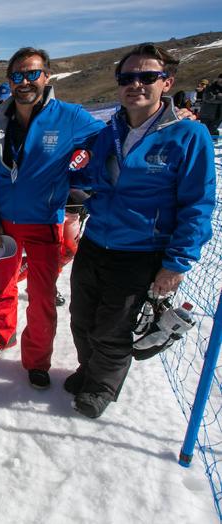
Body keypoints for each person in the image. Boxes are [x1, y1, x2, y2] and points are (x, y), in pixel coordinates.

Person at [68, 43, 215, 418]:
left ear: (166, 82)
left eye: (147, 77)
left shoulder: (187, 136)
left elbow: (197, 205)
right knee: (83, 317)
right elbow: (87, 174)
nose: (137, 84)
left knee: (114, 327)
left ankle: (102, 386)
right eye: (128, 78)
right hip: (96, 240)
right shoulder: (108, 132)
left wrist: (177, 263)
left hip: (140, 250)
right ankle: (89, 369)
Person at [0, 47, 105, 389]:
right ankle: (2, 336)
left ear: (47, 76)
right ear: (10, 80)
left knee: (41, 295)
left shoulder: (69, 116)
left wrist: (82, 168)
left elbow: (108, 139)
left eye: (33, 73)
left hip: (45, 220)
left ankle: (36, 359)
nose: (25, 81)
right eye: (18, 75)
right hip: (4, 223)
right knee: (2, 285)